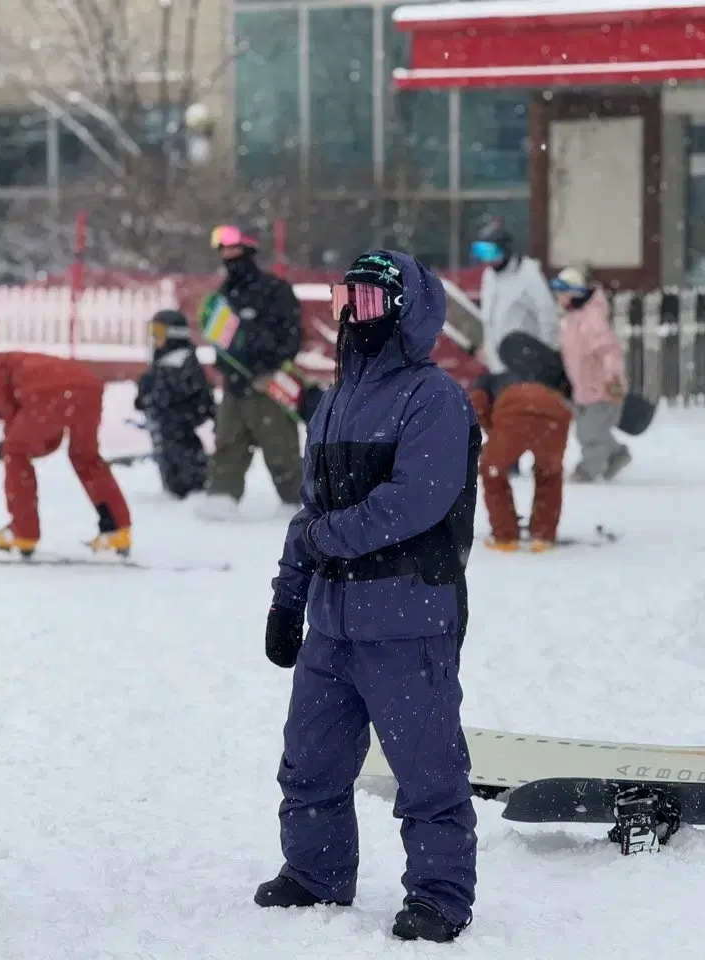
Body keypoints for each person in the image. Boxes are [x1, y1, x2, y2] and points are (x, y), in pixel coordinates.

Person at [255, 250, 482, 943]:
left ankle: (439, 896)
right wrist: (288, 598)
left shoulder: (434, 398)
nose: (359, 313)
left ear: (407, 310)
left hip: (409, 616)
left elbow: (416, 500)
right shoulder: (332, 403)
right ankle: (316, 873)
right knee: (310, 758)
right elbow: (309, 512)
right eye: (349, 298)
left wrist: (332, 538)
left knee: (426, 767)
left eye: (375, 299)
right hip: (332, 625)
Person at [196, 225, 303, 518]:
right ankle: (220, 503)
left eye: (233, 247)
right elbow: (220, 344)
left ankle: (300, 508)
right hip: (234, 388)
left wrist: (269, 367)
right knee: (227, 450)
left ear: (249, 248)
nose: (227, 254)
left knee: (283, 455)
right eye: (223, 249)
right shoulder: (220, 297)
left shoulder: (275, 290)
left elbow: (291, 337)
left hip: (267, 386)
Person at [0, 351, 131, 556]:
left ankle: (23, 532)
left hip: (47, 391)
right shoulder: (11, 362)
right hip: (88, 387)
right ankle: (116, 530)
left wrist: (8, 445)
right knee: (85, 456)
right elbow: (44, 434)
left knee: (15, 452)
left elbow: (11, 412)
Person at [469, 371, 571, 552]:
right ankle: (543, 535)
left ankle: (505, 537)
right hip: (555, 410)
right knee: (550, 474)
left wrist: (493, 437)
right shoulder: (524, 379)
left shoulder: (481, 385)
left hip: (513, 412)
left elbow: (477, 406)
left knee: (492, 472)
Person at [551, 267, 630, 482]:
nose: (557, 296)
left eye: (562, 291)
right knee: (593, 431)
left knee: (588, 433)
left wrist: (612, 377)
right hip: (585, 389)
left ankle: (587, 470)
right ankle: (616, 455)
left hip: (604, 388)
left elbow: (608, 351)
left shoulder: (592, 319)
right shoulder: (571, 319)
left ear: (575, 292)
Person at [134, 309, 215, 499]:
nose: (154, 338)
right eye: (153, 332)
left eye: (159, 332)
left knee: (183, 480)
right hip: (166, 437)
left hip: (181, 442)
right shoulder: (164, 362)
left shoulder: (182, 364)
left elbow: (201, 401)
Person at [472, 219, 560, 376]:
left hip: (525, 365)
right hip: (497, 367)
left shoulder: (528, 273)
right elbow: (490, 319)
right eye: (481, 253)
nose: (487, 259)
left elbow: (547, 315)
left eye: (491, 253)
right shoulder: (489, 276)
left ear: (504, 250)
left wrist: (545, 359)